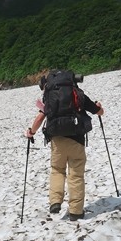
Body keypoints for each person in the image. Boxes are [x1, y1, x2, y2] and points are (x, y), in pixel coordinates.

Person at [24, 75, 104, 221]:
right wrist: (98, 107)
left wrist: (31, 132)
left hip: (57, 141)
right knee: (76, 176)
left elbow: (40, 118)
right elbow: (98, 112)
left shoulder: (50, 98)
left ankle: (55, 201)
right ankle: (75, 212)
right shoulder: (78, 95)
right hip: (77, 141)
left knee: (57, 171)